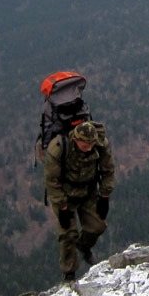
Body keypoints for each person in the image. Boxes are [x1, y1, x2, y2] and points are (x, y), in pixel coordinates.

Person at [44, 120, 115, 281]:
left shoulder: (100, 146)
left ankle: (84, 245)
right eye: (85, 146)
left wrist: (105, 196)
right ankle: (69, 274)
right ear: (76, 140)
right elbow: (51, 181)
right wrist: (62, 207)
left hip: (88, 191)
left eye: (91, 145)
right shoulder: (58, 149)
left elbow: (108, 170)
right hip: (65, 194)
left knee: (97, 226)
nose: (89, 149)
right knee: (68, 233)